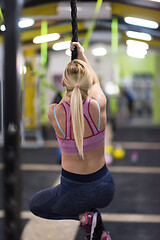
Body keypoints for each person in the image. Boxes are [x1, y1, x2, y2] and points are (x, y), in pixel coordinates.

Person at [29, 42, 115, 240]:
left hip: (72, 193)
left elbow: (67, 103)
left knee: (35, 205)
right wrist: (82, 55)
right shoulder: (98, 104)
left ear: (62, 84)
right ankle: (90, 219)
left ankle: (84, 216)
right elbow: (95, 83)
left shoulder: (54, 112)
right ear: (87, 83)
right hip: (105, 189)